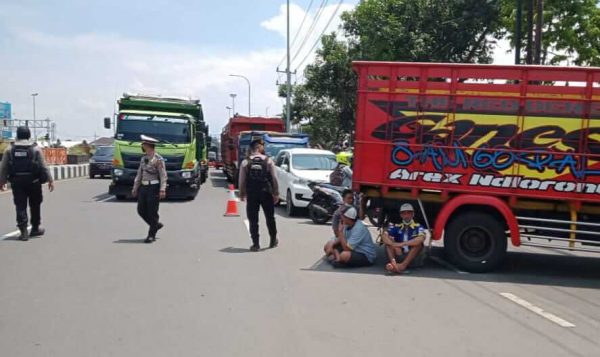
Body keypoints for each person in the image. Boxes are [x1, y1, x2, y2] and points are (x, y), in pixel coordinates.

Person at [0, 126, 54, 241]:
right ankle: (35, 228)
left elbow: (3, 167)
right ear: (29, 135)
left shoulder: (10, 149)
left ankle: (23, 231)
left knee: (20, 206)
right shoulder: (35, 149)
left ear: (18, 135)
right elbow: (44, 166)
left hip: (17, 182)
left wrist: (2, 181)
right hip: (34, 182)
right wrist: (50, 180)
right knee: (35, 205)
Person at [238, 137, 279, 251]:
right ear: (260, 148)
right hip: (266, 192)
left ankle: (255, 244)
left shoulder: (246, 162)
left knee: (253, 219)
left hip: (252, 193)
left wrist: (242, 193)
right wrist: (276, 193)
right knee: (270, 217)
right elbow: (275, 178)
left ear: (251, 149)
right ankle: (273, 240)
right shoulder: (269, 160)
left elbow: (241, 180)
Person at [131, 135, 167, 243]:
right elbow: (139, 174)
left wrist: (162, 189)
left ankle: (151, 235)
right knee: (141, 210)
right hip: (144, 186)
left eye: (144, 144)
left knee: (152, 211)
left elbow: (163, 175)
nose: (142, 146)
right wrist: (135, 187)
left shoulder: (158, 159)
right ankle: (155, 225)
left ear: (149, 146)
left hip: (154, 187)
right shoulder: (143, 158)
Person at [382, 203, 426, 274]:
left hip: (413, 258)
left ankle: (402, 266)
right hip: (399, 255)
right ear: (401, 215)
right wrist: (393, 244)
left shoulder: (418, 226)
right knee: (388, 243)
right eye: (404, 213)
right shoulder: (397, 226)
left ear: (413, 214)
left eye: (409, 213)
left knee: (419, 244)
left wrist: (400, 244)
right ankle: (394, 263)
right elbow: (384, 236)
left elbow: (421, 238)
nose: (406, 215)